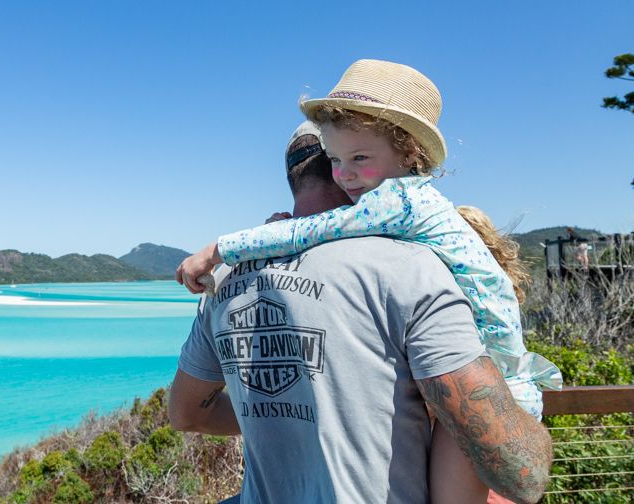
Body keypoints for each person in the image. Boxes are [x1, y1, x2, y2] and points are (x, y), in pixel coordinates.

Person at [176, 59, 561, 502]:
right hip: (500, 386)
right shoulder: (412, 267)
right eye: (338, 160)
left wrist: (227, 249)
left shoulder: (225, 284)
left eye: (359, 158)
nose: (347, 174)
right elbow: (522, 475)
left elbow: (187, 414)